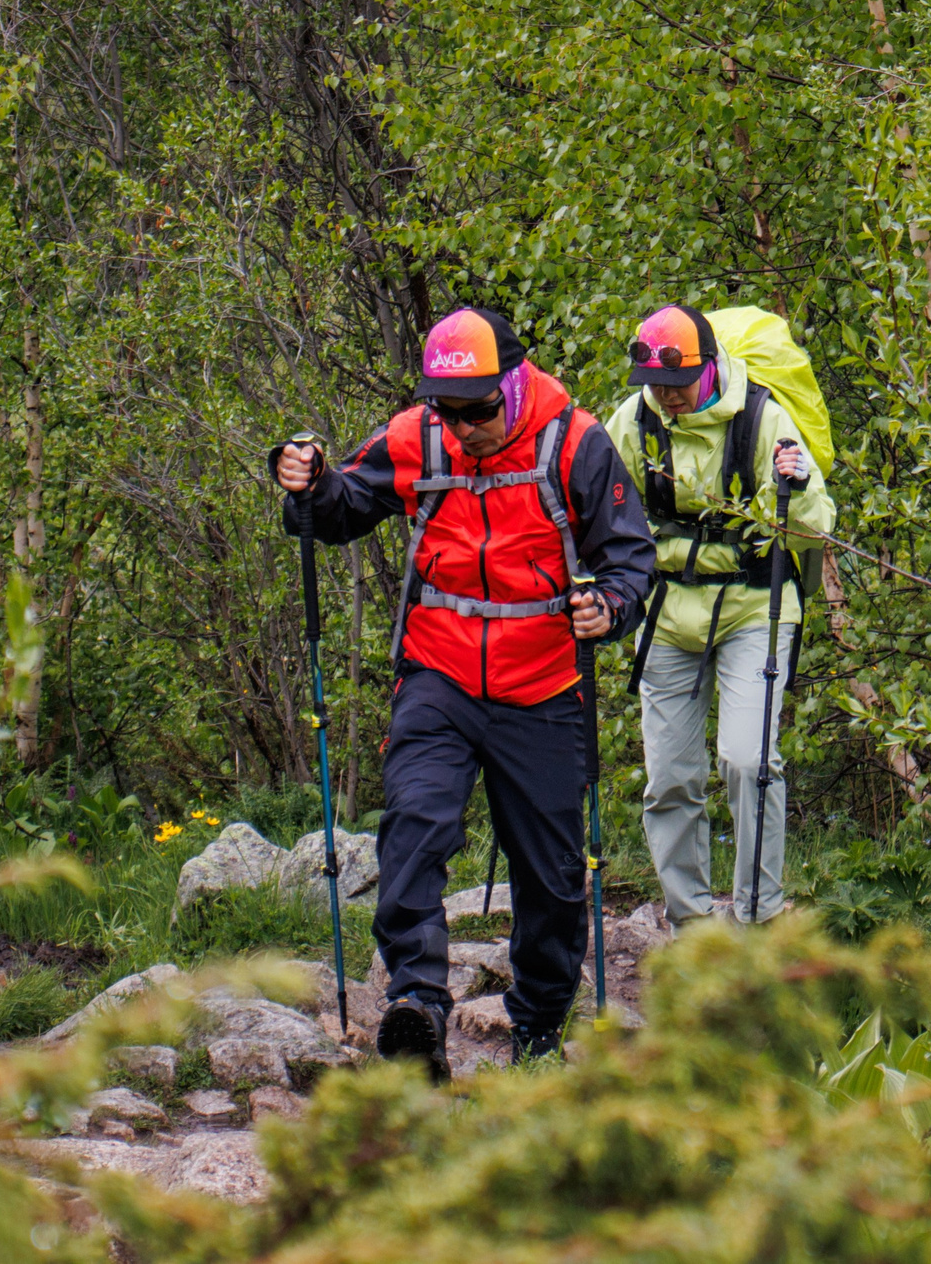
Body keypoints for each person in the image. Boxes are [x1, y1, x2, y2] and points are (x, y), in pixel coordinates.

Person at [275, 306, 655, 1074]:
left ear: (511, 386)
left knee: (552, 875)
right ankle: (417, 1006)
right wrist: (308, 484)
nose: (463, 426)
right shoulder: (418, 436)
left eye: (477, 409)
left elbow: (629, 557)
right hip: (438, 672)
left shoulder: (575, 443)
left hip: (543, 682)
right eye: (448, 410)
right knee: (414, 825)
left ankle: (538, 1028)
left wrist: (608, 607)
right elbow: (342, 507)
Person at [604, 304, 833, 928]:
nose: (667, 396)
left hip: (753, 606)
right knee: (669, 777)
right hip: (667, 612)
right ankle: (691, 928)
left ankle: (757, 918)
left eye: (677, 384)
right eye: (656, 385)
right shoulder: (633, 423)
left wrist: (797, 486)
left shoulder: (762, 418)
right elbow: (596, 510)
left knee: (748, 762)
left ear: (707, 369)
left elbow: (815, 525)